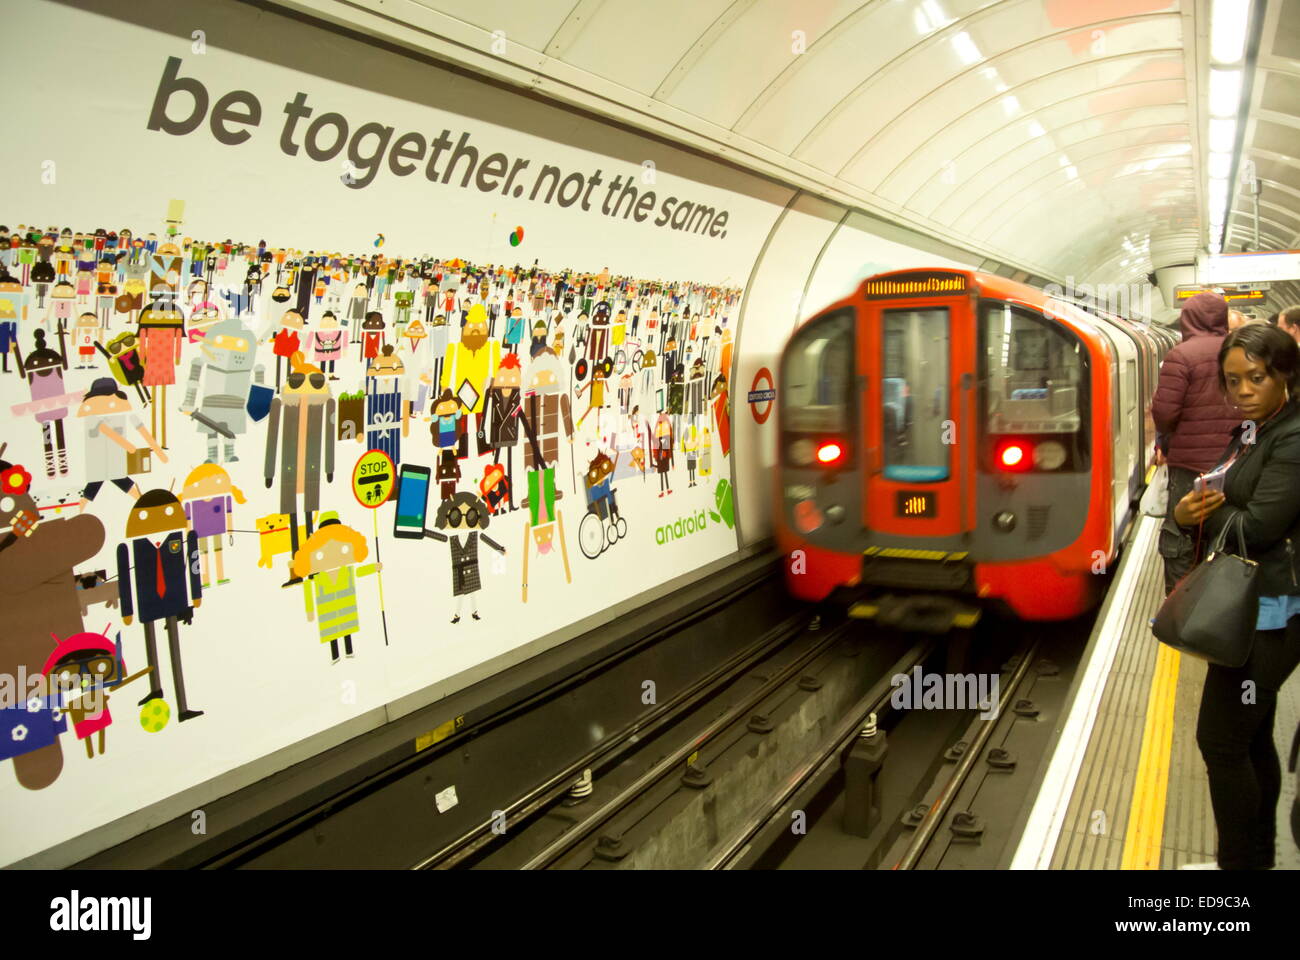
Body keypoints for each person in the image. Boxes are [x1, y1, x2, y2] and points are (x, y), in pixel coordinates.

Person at [1171, 323, 1300, 870]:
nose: (1244, 390)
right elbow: (1227, 494)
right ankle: (1259, 858)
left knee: (1221, 744)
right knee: (1251, 738)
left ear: (1286, 375)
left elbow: (1259, 527)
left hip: (1270, 616)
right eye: (1233, 381)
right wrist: (1186, 510)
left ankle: (1236, 874)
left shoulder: (1293, 437)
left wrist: (1202, 507)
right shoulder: (1259, 427)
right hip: (1257, 608)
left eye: (1257, 377)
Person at [1151, 292, 1239, 593]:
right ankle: (1222, 604)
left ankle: (1180, 607)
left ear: (1188, 318)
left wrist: (1166, 438)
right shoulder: (1239, 351)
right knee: (1228, 530)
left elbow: (1165, 412)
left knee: (1182, 533)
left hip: (1190, 465)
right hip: (1238, 463)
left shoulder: (1181, 355)